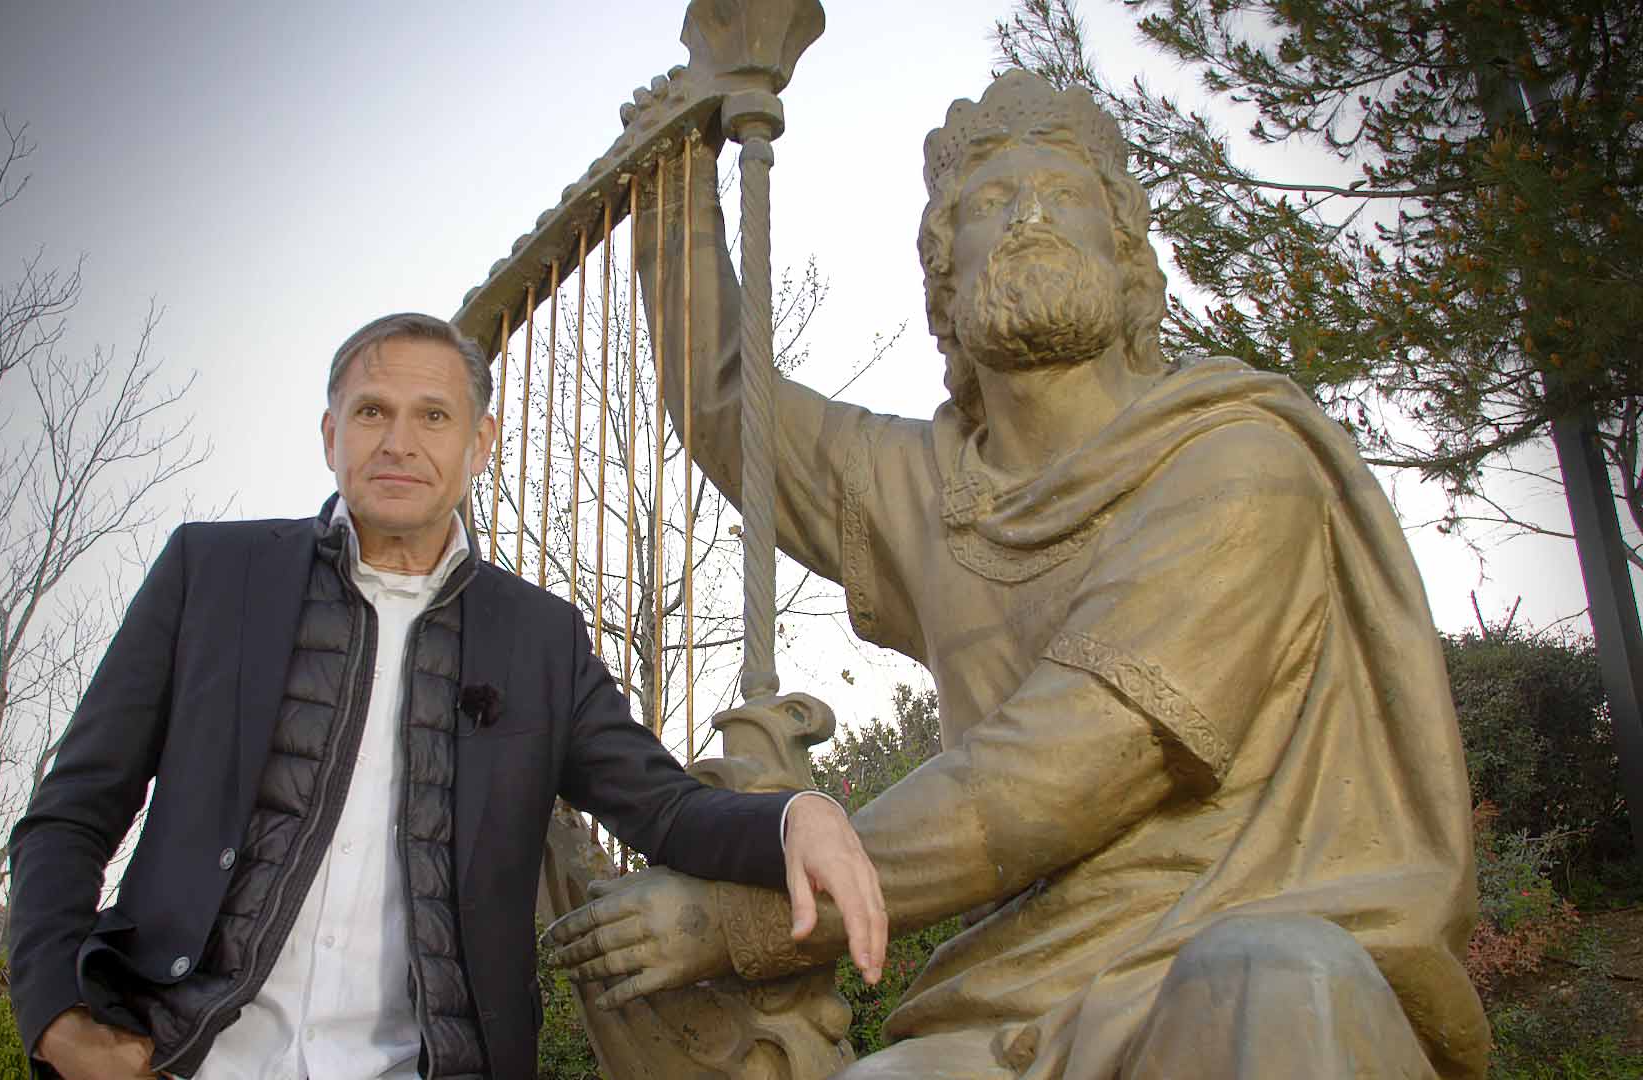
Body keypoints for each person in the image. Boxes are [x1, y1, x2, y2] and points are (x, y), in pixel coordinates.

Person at [548, 71, 1490, 1078]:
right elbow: (732, 411)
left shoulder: (1236, 459)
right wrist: (675, 186)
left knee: (1268, 977)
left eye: (1067, 194)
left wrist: (741, 916)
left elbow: (1076, 763)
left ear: (1129, 259)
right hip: (1009, 1000)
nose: (1030, 215)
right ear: (943, 283)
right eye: (991, 203)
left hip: (1229, 956)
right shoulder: (926, 486)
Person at [5, 312, 887, 1080]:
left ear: (478, 445)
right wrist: (58, 1023)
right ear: (330, 435)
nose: (399, 441)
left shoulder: (537, 638)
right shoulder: (211, 573)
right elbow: (71, 814)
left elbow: (663, 810)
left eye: (432, 416)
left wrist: (794, 817)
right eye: (371, 413)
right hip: (180, 1054)